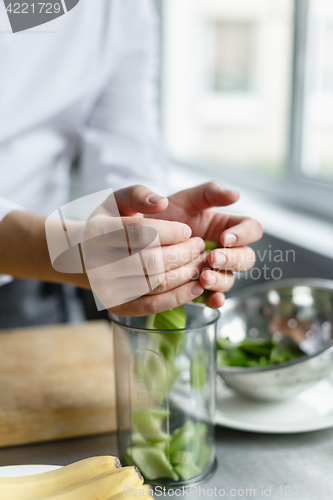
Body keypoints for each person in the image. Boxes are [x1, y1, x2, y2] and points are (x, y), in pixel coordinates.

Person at [0, 0, 262, 325]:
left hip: (31, 282)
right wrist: (67, 250)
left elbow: (124, 145)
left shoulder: (124, 8)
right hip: (36, 250)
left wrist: (154, 231)